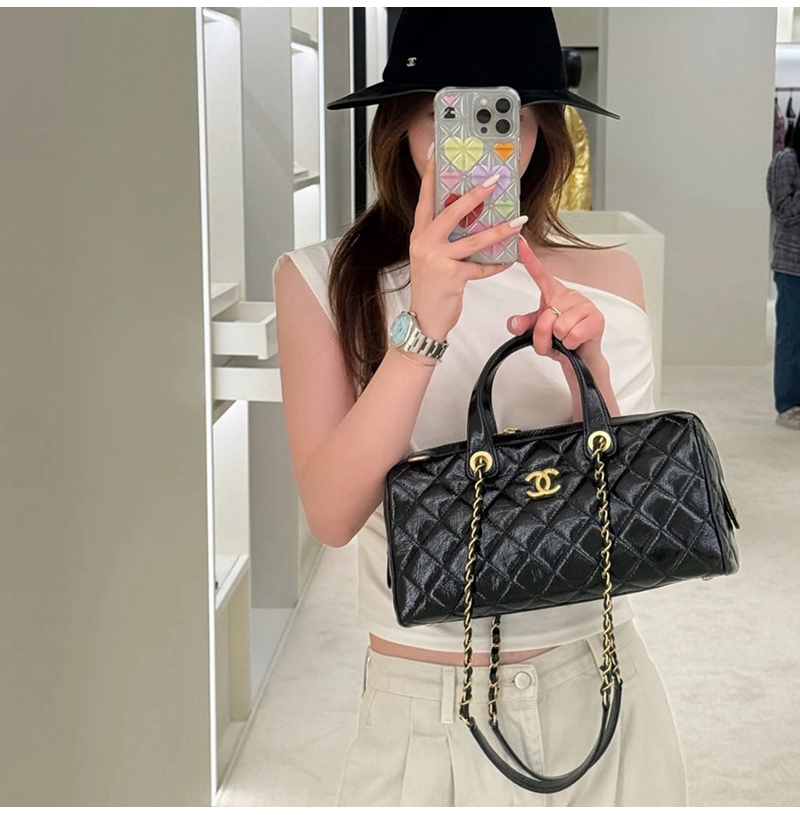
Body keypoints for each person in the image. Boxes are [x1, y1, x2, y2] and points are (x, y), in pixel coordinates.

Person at [272, 9, 688, 807]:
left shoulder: (610, 277)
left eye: (507, 114)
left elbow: (624, 506)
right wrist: (422, 327)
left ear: (541, 131)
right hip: (427, 711)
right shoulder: (325, 281)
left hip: (600, 686)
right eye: (447, 112)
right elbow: (330, 512)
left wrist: (589, 366)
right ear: (401, 123)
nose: (475, 142)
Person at [766, 125, 800, 431]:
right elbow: (784, 211)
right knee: (791, 336)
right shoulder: (787, 159)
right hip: (793, 267)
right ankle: (788, 405)